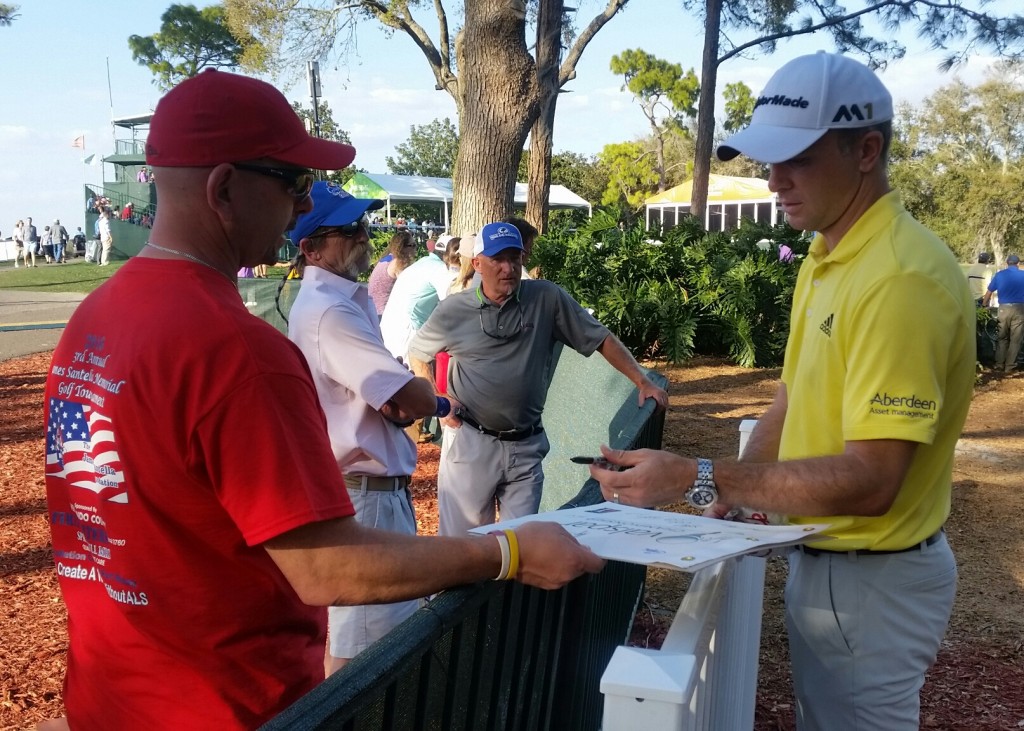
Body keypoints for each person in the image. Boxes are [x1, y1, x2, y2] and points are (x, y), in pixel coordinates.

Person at [43, 69, 603, 731]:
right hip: (228, 709)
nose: (300, 205)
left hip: (112, 701)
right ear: (224, 187)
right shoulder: (235, 348)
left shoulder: (94, 317)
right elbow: (328, 566)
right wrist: (509, 551)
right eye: (292, 182)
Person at [590, 52, 974, 731]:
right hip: (837, 568)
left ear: (867, 150)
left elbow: (872, 479)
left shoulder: (898, 279)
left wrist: (699, 473)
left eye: (795, 157)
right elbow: (790, 400)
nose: (773, 179)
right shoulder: (829, 256)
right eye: (768, 160)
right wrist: (727, 493)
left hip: (871, 580)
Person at [407, 221, 668, 536]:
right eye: (498, 259)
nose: (508, 268)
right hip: (472, 442)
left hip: (526, 445)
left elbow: (600, 339)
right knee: (465, 547)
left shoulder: (546, 298)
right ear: (477, 264)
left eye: (515, 258)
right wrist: (438, 400)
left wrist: (642, 381)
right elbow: (418, 353)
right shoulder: (455, 310)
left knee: (520, 543)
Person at [287, 181, 452, 676]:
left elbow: (398, 400)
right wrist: (433, 398)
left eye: (363, 225)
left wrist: (409, 398)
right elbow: (410, 397)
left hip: (371, 493)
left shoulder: (337, 302)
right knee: (362, 657)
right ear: (311, 248)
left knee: (366, 646)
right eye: (348, 229)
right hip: (365, 496)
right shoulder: (330, 311)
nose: (363, 236)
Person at [379, 233, 455, 360]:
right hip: (406, 332)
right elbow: (451, 302)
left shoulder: (422, 263)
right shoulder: (439, 269)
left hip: (390, 326)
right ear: (448, 256)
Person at [983, 253, 1024, 372]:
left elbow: (989, 291)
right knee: (1015, 338)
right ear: (1018, 264)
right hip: (1020, 309)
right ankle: (1010, 366)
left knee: (1002, 337)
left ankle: (999, 364)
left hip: (1003, 308)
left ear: (1007, 263)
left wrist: (985, 305)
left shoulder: (1000, 275)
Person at [368, 230, 416, 316]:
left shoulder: (388, 258)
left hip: (372, 309)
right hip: (383, 312)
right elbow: (408, 289)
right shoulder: (398, 263)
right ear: (402, 248)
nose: (415, 249)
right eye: (413, 245)